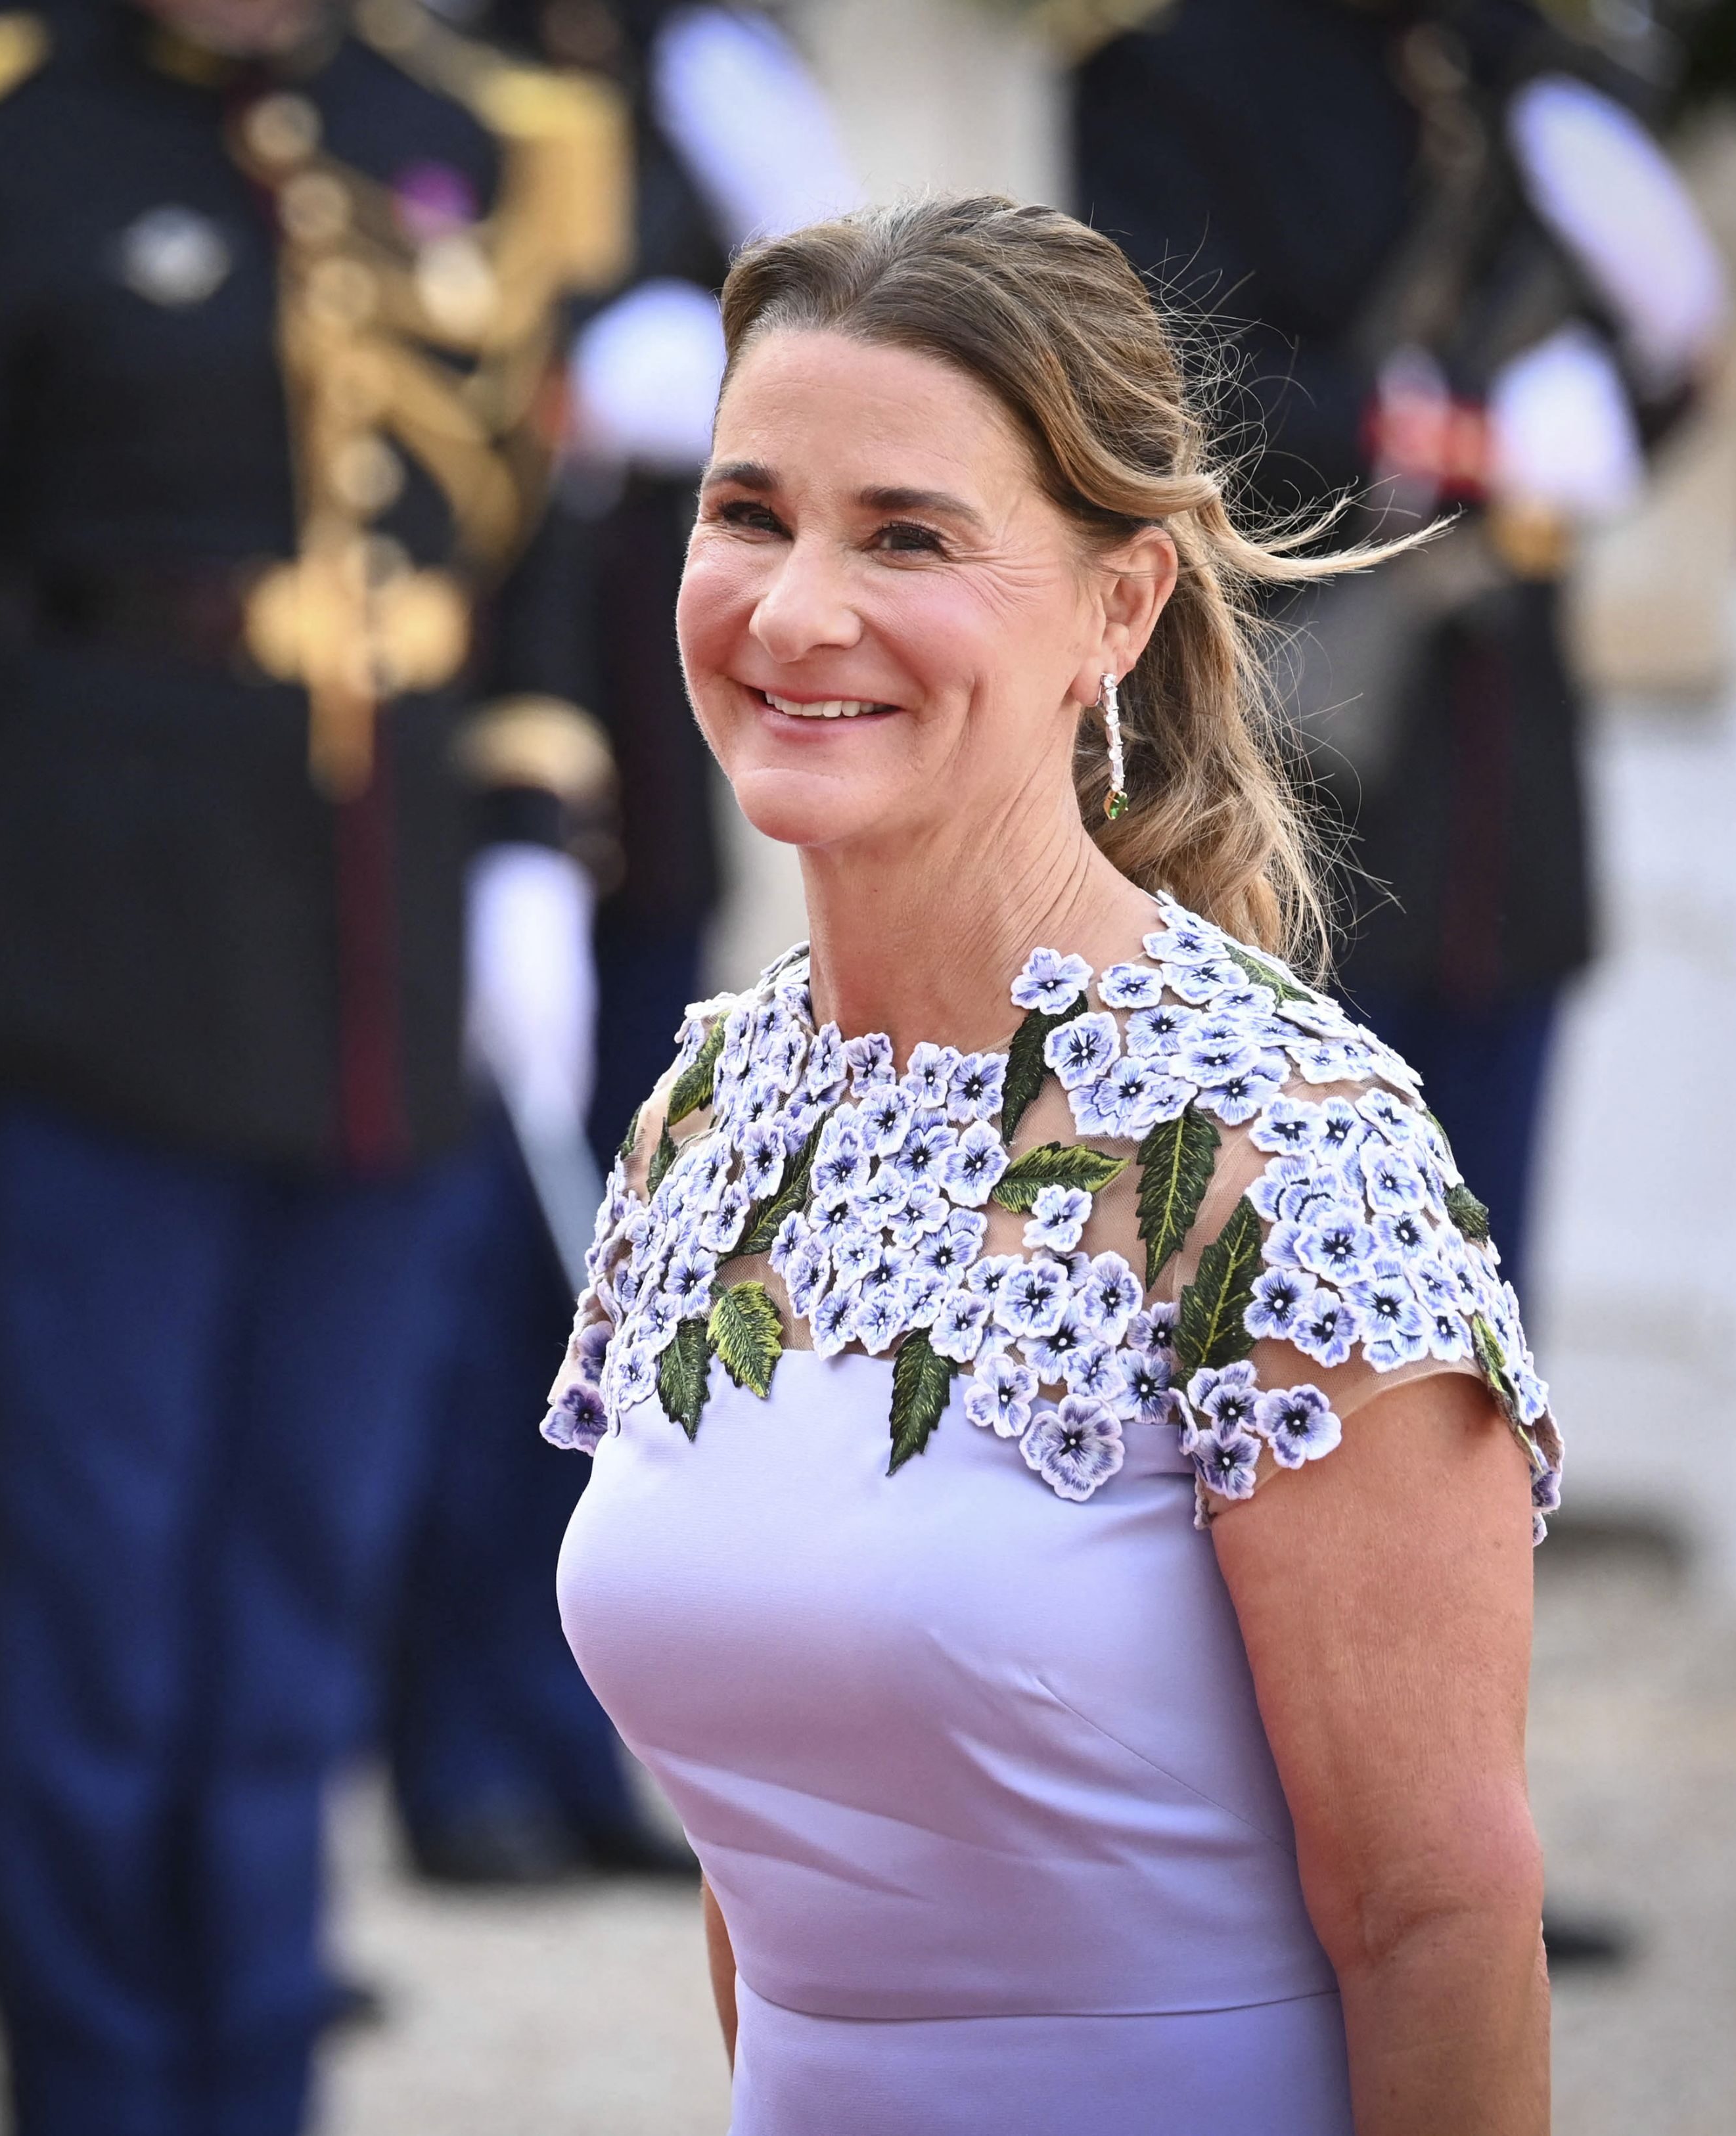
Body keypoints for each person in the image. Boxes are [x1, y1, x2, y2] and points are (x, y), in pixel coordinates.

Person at [0, 0, 626, 2124]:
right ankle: (92, 2082)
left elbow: (518, 541)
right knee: (85, 1609)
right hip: (96, 963)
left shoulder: (459, 129)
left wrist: (531, 833)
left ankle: (250, 2071)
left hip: (372, 966)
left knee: (297, 1595)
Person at [545, 198, 1559, 2131]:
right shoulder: (703, 1118)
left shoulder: (1280, 1158)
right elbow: (771, 1842)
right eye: (747, 513)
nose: (793, 611)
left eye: (905, 536)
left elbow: (1435, 1921)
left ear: (1120, 608)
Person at [385, 0, 853, 1888]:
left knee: (620, 1273)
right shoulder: (431, 64)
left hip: (647, 753)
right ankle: (452, 1745)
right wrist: (570, 383)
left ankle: (575, 1732)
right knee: (474, 1282)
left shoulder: (693, 60)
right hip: (461, 757)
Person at [1072, 0, 1724, 1296]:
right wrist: (1446, 435)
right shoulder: (1175, 73)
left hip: (1497, 807)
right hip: (1276, 787)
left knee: (1483, 1312)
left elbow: (1601, 413)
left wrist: (1669, 351)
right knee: (1263, 1301)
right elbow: (1163, 396)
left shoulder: (1515, 69)